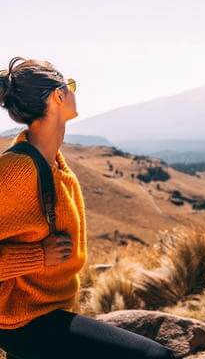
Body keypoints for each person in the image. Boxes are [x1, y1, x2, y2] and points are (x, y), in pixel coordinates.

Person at [0, 57, 176, 359]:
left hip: (50, 312)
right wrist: (39, 256)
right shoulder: (16, 171)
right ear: (58, 96)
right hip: (23, 323)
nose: (73, 92)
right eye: (70, 86)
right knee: (155, 357)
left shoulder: (53, 163)